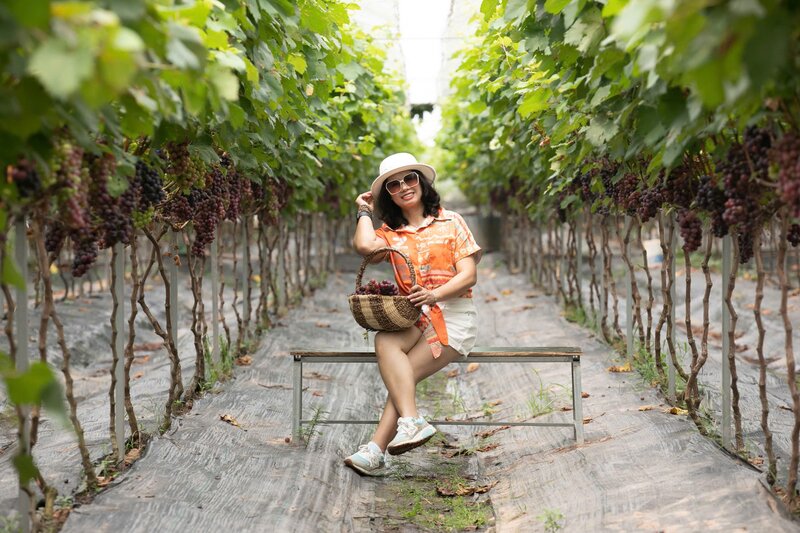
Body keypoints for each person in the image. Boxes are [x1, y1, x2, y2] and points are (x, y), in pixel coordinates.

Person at [345, 152, 482, 476]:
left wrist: (435, 293)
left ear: (421, 182)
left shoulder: (452, 221)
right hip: (416, 317)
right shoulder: (391, 233)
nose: (404, 186)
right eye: (393, 184)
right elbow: (365, 246)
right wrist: (364, 210)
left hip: (454, 316)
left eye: (410, 178)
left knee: (401, 376)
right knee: (386, 344)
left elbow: (468, 275)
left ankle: (376, 449)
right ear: (388, 194)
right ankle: (409, 424)